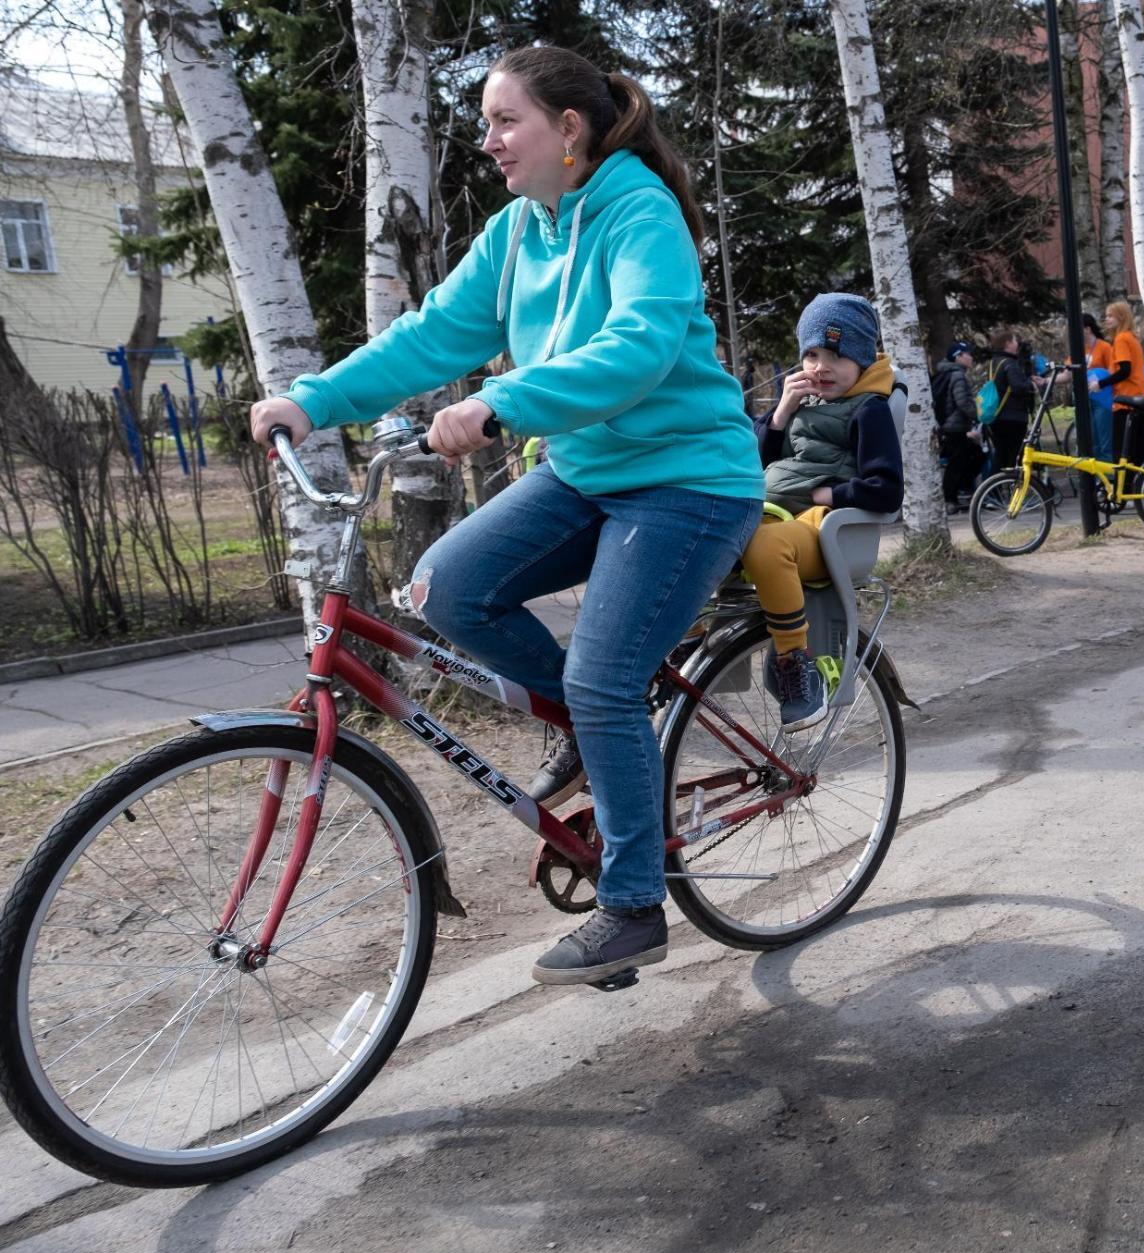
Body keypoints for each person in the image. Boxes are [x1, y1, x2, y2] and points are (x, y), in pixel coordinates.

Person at [247, 47, 766, 987]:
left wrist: (506, 402)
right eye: (484, 124)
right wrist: (312, 400)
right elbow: (435, 333)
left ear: (569, 128)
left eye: (503, 121)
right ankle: (584, 722)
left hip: (688, 482)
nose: (486, 142)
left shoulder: (640, 211)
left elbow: (639, 345)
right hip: (587, 471)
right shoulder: (522, 228)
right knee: (448, 587)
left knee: (608, 679)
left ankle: (633, 904)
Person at [743, 294, 903, 730]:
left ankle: (799, 667)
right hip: (773, 510)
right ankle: (689, 636)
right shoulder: (799, 402)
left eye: (836, 355)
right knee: (704, 525)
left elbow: (887, 490)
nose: (820, 366)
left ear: (862, 360)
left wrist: (826, 495)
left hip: (822, 531)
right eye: (811, 354)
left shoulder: (868, 409)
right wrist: (779, 415)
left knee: (765, 546)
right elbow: (751, 462)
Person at [932, 340, 983, 509]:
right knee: (957, 463)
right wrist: (978, 415)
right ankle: (950, 500)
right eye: (967, 354)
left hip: (950, 427)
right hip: (955, 427)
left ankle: (962, 491)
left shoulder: (948, 373)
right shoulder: (957, 375)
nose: (971, 357)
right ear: (958, 357)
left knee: (974, 455)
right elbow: (962, 402)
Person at [983, 328, 1038, 472]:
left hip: (997, 415)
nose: (1017, 344)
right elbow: (1018, 387)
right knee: (1012, 454)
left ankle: (995, 487)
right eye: (1014, 340)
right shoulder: (1009, 364)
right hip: (1013, 416)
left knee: (1001, 453)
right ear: (1007, 344)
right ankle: (1008, 486)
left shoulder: (994, 363)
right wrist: (1031, 385)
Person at [1102, 301, 1144, 466]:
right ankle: (1139, 487)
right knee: (1138, 452)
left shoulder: (1121, 339)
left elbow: (1125, 370)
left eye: (1110, 316)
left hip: (1126, 401)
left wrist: (1101, 383)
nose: (1106, 319)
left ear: (1120, 317)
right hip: (1139, 397)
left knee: (1122, 453)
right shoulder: (1132, 337)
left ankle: (1125, 489)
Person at [1082, 314, 1117, 462]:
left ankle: (1109, 479)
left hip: (1102, 399)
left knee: (1105, 441)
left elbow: (1114, 370)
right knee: (1091, 442)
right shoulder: (1078, 349)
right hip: (1084, 399)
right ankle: (1095, 478)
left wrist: (1099, 381)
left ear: (1087, 329)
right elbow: (1068, 373)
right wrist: (1045, 381)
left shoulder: (1104, 347)